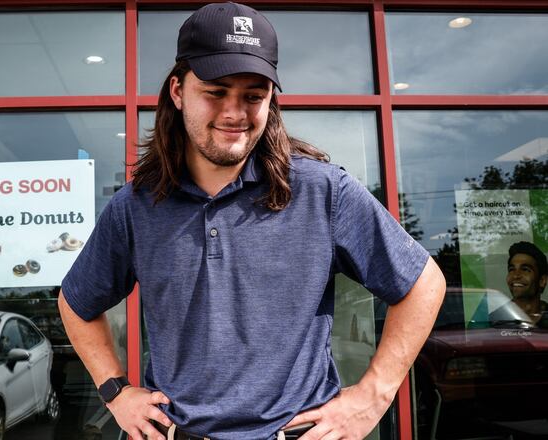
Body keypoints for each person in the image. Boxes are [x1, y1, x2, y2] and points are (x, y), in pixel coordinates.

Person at [58, 3, 446, 439]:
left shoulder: (321, 191)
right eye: (216, 91)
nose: (234, 113)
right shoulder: (137, 205)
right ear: (177, 91)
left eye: (253, 95)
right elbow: (75, 303)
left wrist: (374, 395)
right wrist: (115, 391)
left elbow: (424, 285)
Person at [506, 241, 548, 324]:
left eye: (525, 269)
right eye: (512, 269)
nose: (516, 275)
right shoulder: (494, 320)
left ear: (542, 281)